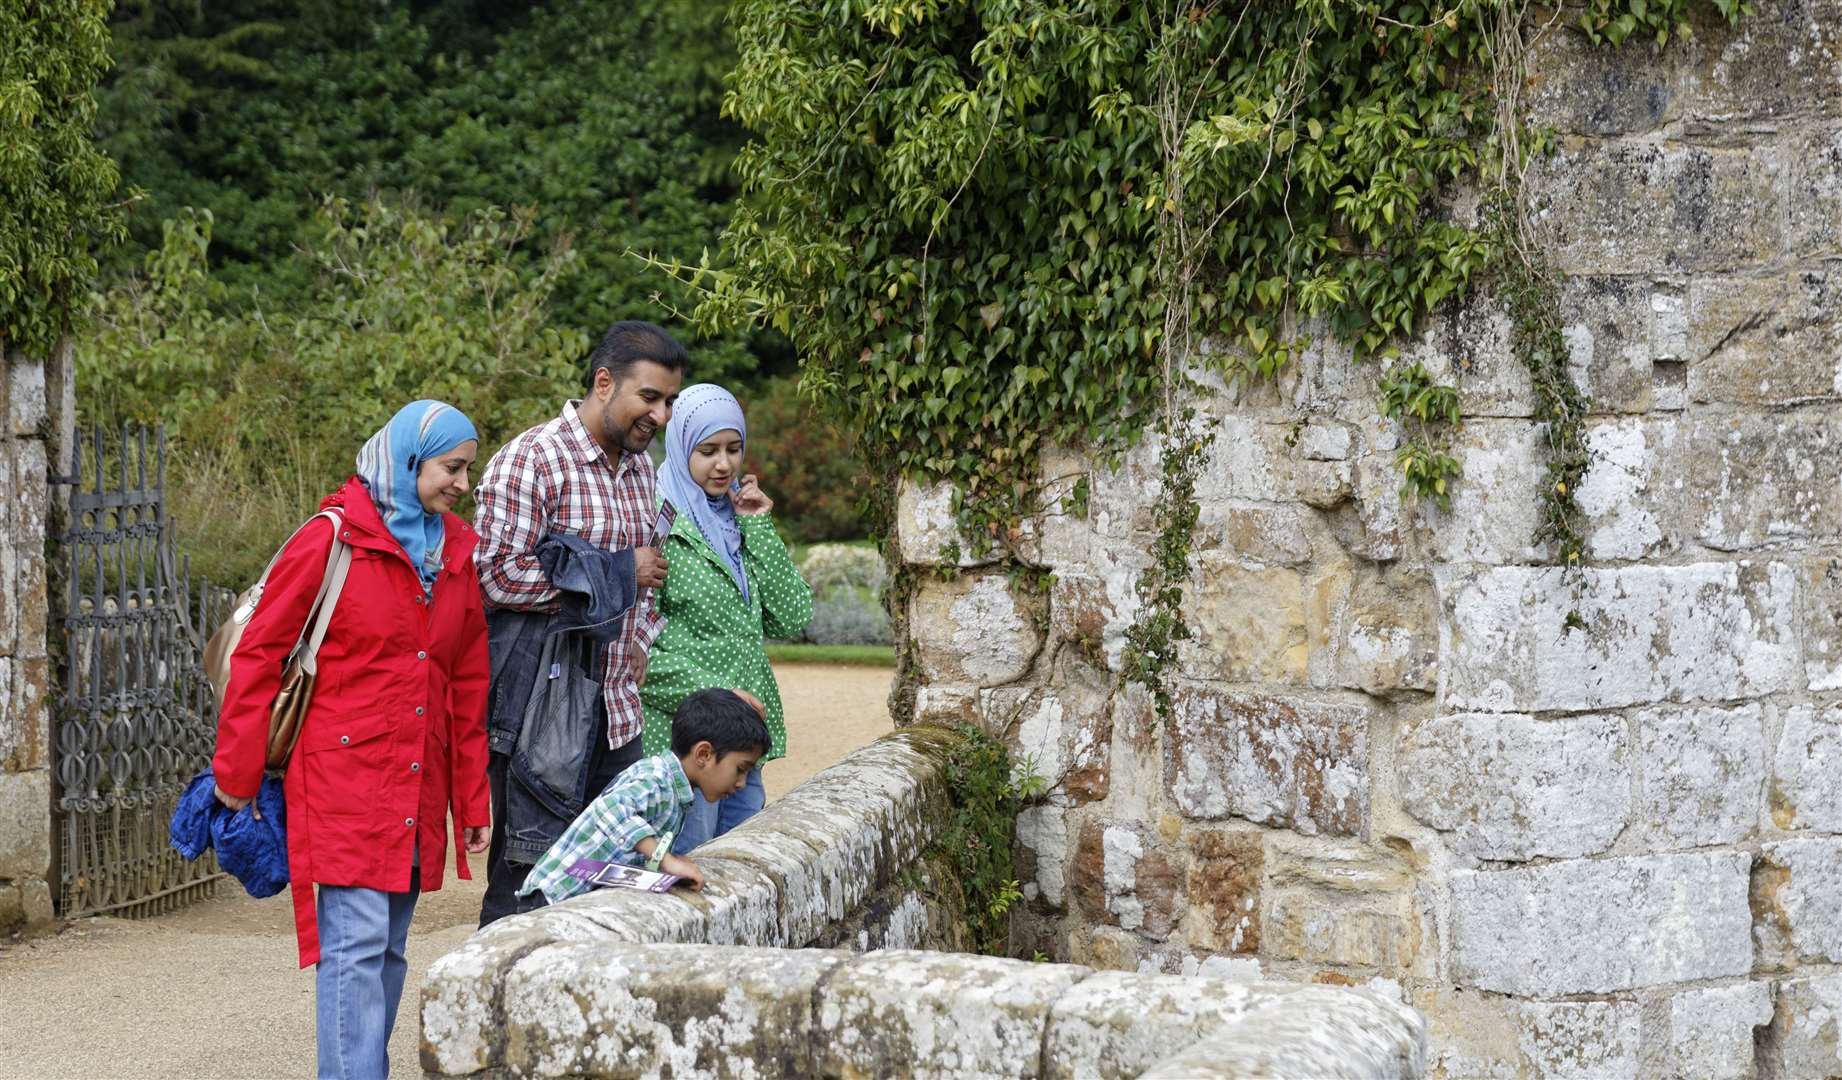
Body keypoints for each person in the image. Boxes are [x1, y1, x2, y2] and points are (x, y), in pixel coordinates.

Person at [211, 400, 491, 1080]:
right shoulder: (331, 539)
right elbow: (256, 659)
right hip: (343, 781)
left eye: (466, 471)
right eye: (451, 468)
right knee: (357, 949)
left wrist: (472, 801)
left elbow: (466, 681)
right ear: (407, 460)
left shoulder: (455, 549)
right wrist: (237, 780)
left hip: (417, 782)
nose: (461, 484)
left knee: (389, 949)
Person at [472, 320, 687, 926]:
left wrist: (641, 636)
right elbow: (497, 577)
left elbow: (653, 576)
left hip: (618, 713)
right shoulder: (531, 460)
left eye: (669, 401)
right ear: (602, 383)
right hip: (544, 714)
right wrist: (618, 574)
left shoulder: (643, 470)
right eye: (650, 397)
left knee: (612, 887)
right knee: (528, 887)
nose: (661, 415)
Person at [639, 383, 812, 851]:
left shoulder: (737, 519)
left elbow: (793, 614)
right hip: (690, 743)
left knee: (740, 868)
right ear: (680, 448)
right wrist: (717, 697)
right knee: (692, 876)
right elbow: (637, 650)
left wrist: (757, 523)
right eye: (708, 451)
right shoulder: (656, 522)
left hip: (741, 744)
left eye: (734, 449)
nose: (724, 464)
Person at [517, 687, 771, 906]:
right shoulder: (656, 778)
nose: (741, 783)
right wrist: (666, 860)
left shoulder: (677, 789)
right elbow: (612, 808)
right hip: (553, 897)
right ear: (703, 754)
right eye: (741, 769)